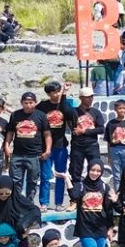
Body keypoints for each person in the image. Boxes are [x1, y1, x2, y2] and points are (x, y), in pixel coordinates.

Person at [56, 161, 114, 247]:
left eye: (98, 171)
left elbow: (109, 210)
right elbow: (74, 195)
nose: (95, 173)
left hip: (100, 228)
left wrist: (110, 228)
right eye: (93, 170)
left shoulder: (104, 187)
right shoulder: (81, 185)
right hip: (85, 229)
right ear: (88, 170)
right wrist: (66, 178)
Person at [5, 92, 52, 202]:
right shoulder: (15, 115)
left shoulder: (41, 115)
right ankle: (16, 203)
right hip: (17, 154)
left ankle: (29, 203)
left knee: (32, 182)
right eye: (26, 103)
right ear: (21, 103)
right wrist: (6, 146)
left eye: (31, 102)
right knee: (15, 181)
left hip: (34, 155)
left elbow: (47, 134)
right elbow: (10, 132)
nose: (28, 105)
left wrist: (48, 150)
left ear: (35, 103)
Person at [37, 82, 76, 210]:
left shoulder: (64, 105)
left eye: (59, 91)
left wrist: (65, 93)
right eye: (54, 92)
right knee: (45, 176)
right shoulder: (42, 106)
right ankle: (44, 203)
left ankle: (59, 203)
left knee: (61, 175)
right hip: (45, 147)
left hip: (60, 145)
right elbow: (33, 117)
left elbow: (69, 113)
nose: (57, 94)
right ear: (48, 94)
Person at [68, 87, 105, 193]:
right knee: (75, 172)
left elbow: (101, 129)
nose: (90, 99)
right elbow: (64, 108)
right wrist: (65, 92)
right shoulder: (74, 112)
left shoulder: (96, 112)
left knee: (96, 169)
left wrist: (84, 131)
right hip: (77, 146)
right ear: (81, 98)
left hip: (92, 145)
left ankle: (96, 194)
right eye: (87, 97)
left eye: (91, 97)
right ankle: (75, 196)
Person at [104, 99, 125, 192]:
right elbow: (108, 142)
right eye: (119, 108)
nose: (122, 110)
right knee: (117, 175)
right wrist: (109, 156)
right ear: (115, 109)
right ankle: (118, 195)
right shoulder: (110, 124)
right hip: (114, 150)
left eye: (124, 108)